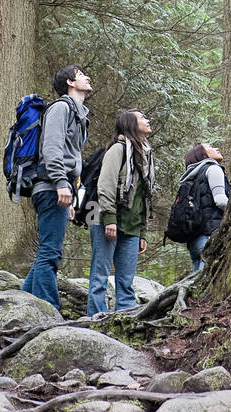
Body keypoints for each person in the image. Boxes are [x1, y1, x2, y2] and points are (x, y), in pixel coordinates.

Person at [22, 65, 91, 311]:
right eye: (81, 74)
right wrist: (61, 183)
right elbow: (52, 149)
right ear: (70, 82)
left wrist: (70, 195)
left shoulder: (78, 113)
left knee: (48, 251)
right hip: (51, 186)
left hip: (60, 188)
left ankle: (21, 303)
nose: (87, 77)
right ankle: (47, 310)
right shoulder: (61, 108)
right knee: (50, 252)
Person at [87, 109, 155, 316]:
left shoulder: (147, 155)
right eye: (142, 117)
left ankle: (124, 319)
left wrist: (142, 232)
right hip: (105, 220)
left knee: (126, 281)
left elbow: (145, 197)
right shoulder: (117, 150)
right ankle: (95, 319)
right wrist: (109, 219)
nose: (148, 119)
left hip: (132, 227)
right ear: (130, 124)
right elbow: (105, 186)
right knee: (100, 275)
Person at [180, 143, 229, 272]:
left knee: (197, 285)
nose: (217, 148)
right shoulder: (212, 168)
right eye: (211, 147)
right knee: (207, 286)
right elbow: (220, 200)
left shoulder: (190, 177)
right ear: (203, 155)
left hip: (194, 241)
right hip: (210, 236)